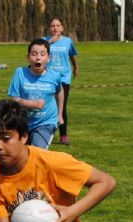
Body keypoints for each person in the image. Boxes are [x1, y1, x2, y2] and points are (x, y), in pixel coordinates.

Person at [8, 38, 63, 150]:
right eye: (34, 54)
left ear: (49, 58)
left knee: (36, 153)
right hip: (22, 123)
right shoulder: (20, 73)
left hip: (46, 123)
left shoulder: (55, 76)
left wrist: (60, 114)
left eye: (42, 54)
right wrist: (31, 104)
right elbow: (13, 99)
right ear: (28, 57)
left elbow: (60, 92)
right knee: (17, 157)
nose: (38, 57)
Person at [44, 18, 79, 146]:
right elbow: (39, 54)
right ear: (49, 28)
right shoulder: (44, 41)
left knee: (61, 107)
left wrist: (75, 68)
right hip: (48, 78)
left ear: (62, 28)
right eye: (53, 26)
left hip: (64, 77)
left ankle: (63, 136)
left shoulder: (67, 41)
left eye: (58, 26)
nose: (55, 28)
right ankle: (44, 132)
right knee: (46, 105)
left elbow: (72, 55)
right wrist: (48, 43)